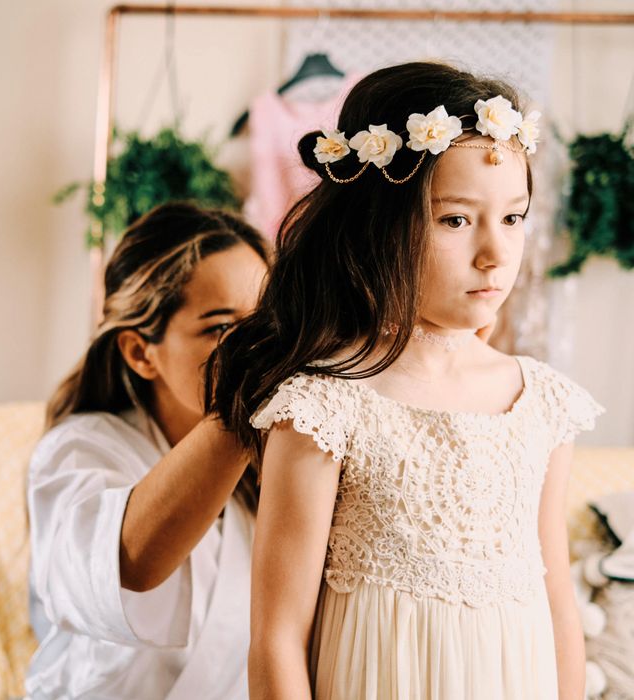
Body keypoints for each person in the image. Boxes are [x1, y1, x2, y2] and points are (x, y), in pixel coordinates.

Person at [207, 62, 603, 700]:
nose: (494, 254)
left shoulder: (542, 403)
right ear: (378, 224)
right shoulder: (322, 407)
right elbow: (277, 637)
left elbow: (557, 596)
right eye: (455, 220)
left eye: (513, 218)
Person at [25, 202, 269, 699]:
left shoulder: (270, 463)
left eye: (265, 322)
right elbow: (129, 566)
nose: (258, 347)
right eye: (221, 328)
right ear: (141, 352)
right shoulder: (78, 451)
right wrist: (242, 404)